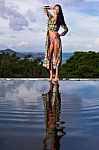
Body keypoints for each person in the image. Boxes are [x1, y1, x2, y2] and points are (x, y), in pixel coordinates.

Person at [43, 4, 68, 81]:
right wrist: (52, 7)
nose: (56, 11)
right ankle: (51, 75)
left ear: (60, 11)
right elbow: (45, 9)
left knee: (56, 58)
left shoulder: (60, 20)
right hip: (49, 39)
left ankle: (56, 75)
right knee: (49, 57)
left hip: (56, 39)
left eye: (58, 9)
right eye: (55, 9)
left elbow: (66, 29)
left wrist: (61, 34)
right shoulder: (50, 17)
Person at [42, 81, 65, 150]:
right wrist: (60, 127)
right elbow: (64, 132)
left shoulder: (48, 134)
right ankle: (55, 87)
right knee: (56, 102)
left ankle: (53, 86)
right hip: (55, 118)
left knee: (48, 101)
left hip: (48, 118)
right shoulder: (57, 137)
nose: (52, 145)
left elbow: (43, 142)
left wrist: (45, 144)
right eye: (54, 147)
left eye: (52, 147)